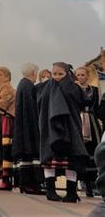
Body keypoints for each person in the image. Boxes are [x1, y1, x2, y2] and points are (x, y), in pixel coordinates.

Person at [38, 62, 89, 203]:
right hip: (50, 128)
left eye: (61, 74)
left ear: (67, 74)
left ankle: (71, 192)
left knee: (71, 159)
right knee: (49, 160)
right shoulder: (47, 87)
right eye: (54, 74)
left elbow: (84, 101)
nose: (57, 77)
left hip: (71, 127)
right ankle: (50, 191)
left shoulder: (73, 87)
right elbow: (41, 104)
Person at [12, 63, 44, 194]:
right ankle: (30, 184)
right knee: (30, 154)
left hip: (23, 127)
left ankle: (26, 184)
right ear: (33, 73)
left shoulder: (22, 84)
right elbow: (32, 109)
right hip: (29, 128)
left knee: (25, 155)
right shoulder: (28, 86)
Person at [75, 66, 102, 197]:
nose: (80, 77)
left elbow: (97, 108)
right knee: (81, 151)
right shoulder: (73, 90)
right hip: (78, 121)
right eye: (78, 75)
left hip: (91, 122)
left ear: (87, 76)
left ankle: (93, 182)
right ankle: (83, 181)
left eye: (82, 75)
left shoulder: (95, 91)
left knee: (93, 150)